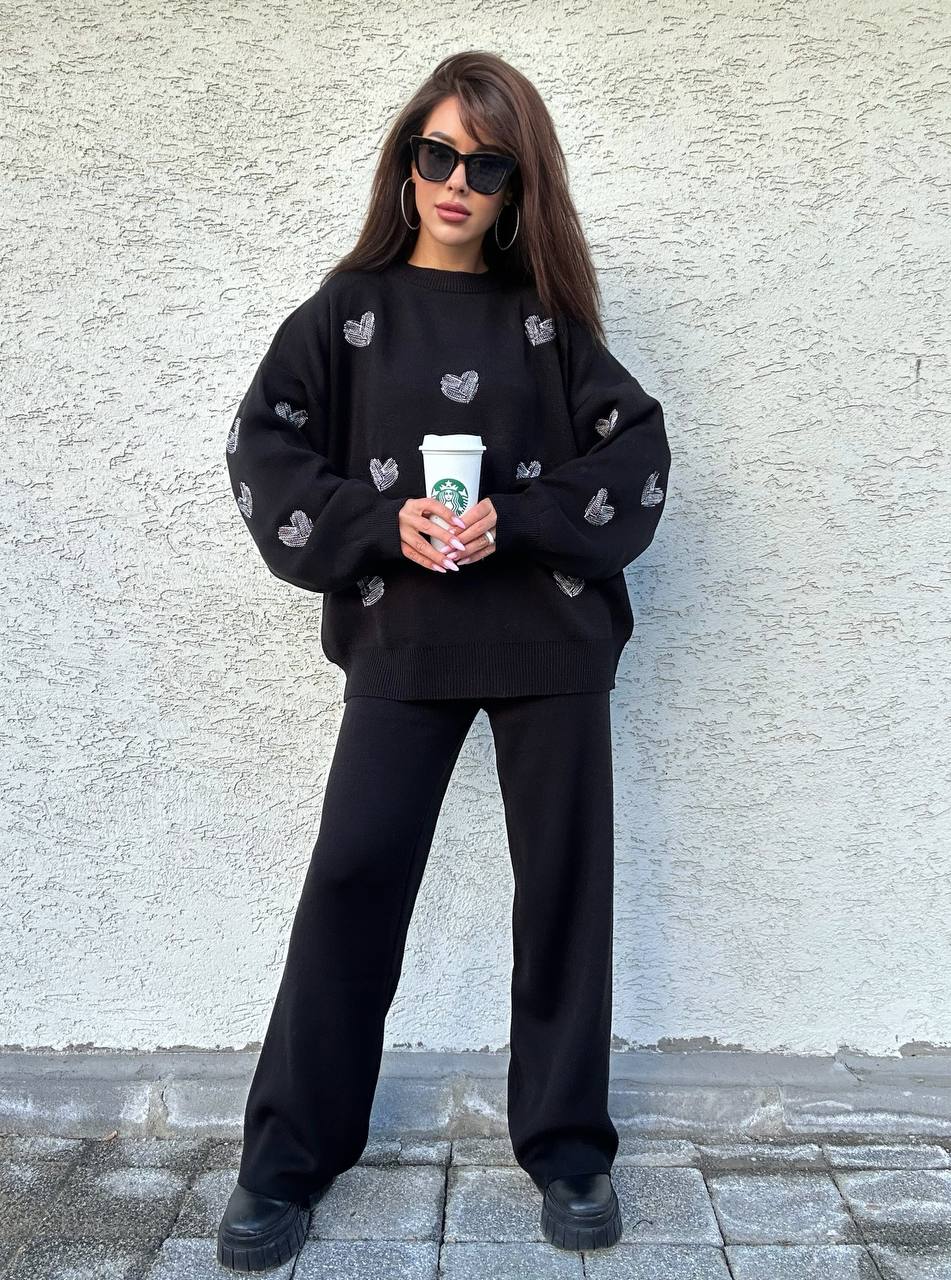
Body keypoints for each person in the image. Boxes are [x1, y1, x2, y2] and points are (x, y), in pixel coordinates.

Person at [217, 49, 671, 1273]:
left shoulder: (545, 321)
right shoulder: (346, 314)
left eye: (487, 163)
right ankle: (286, 1158)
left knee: (563, 891)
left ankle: (568, 1148)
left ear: (520, 184)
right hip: (403, 637)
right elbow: (264, 448)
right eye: (437, 154)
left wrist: (515, 516)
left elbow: (635, 453)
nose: (457, 181)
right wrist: (384, 523)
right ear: (406, 163)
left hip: (549, 641)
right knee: (353, 878)